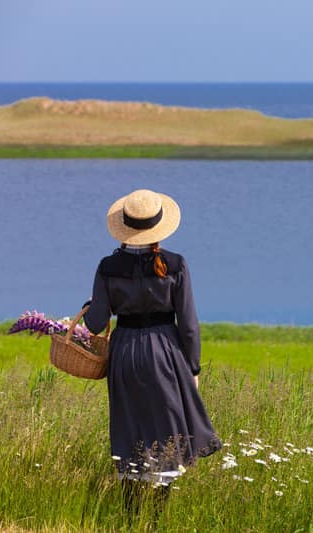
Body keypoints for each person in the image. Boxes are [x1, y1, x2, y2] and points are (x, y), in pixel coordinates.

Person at [82, 189, 221, 518]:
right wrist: (193, 368)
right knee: (165, 431)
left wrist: (88, 308)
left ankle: (130, 518)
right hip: (165, 353)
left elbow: (96, 322)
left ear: (124, 225)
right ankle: (156, 521)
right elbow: (188, 324)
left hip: (125, 353)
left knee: (129, 428)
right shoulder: (175, 264)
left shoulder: (107, 266)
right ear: (159, 226)